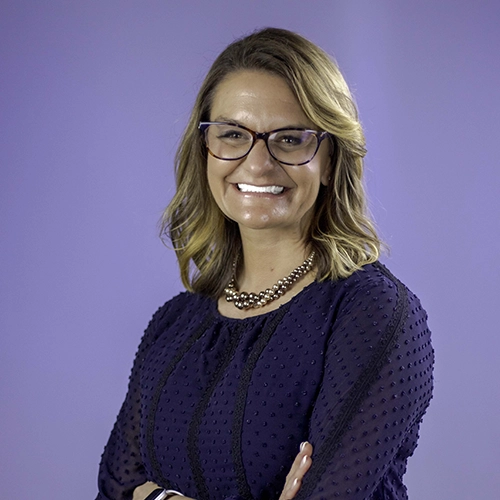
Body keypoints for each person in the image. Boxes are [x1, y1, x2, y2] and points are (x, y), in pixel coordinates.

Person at [96, 28, 434, 500]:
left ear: (331, 159)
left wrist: (154, 497)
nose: (257, 164)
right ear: (205, 150)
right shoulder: (173, 324)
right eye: (233, 134)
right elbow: (114, 488)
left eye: (290, 139)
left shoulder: (373, 313)